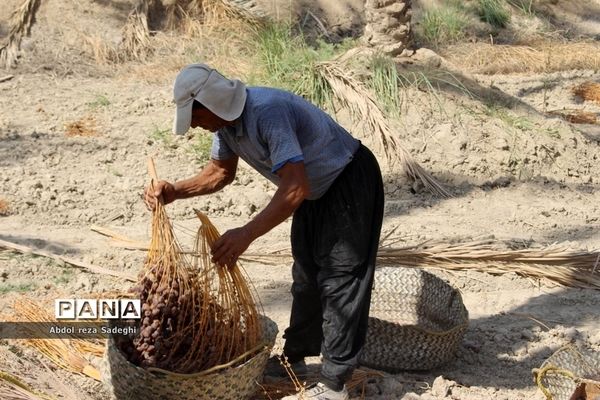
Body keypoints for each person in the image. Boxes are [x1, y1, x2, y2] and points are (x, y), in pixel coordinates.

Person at [144, 63, 384, 400]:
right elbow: (219, 173)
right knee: (306, 277)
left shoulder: (265, 112)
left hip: (347, 180)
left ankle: (334, 383)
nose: (196, 126)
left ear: (210, 104)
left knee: (340, 279)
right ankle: (296, 359)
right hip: (314, 190)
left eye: (196, 117)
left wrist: (246, 234)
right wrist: (174, 191)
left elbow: (294, 187)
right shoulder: (225, 128)